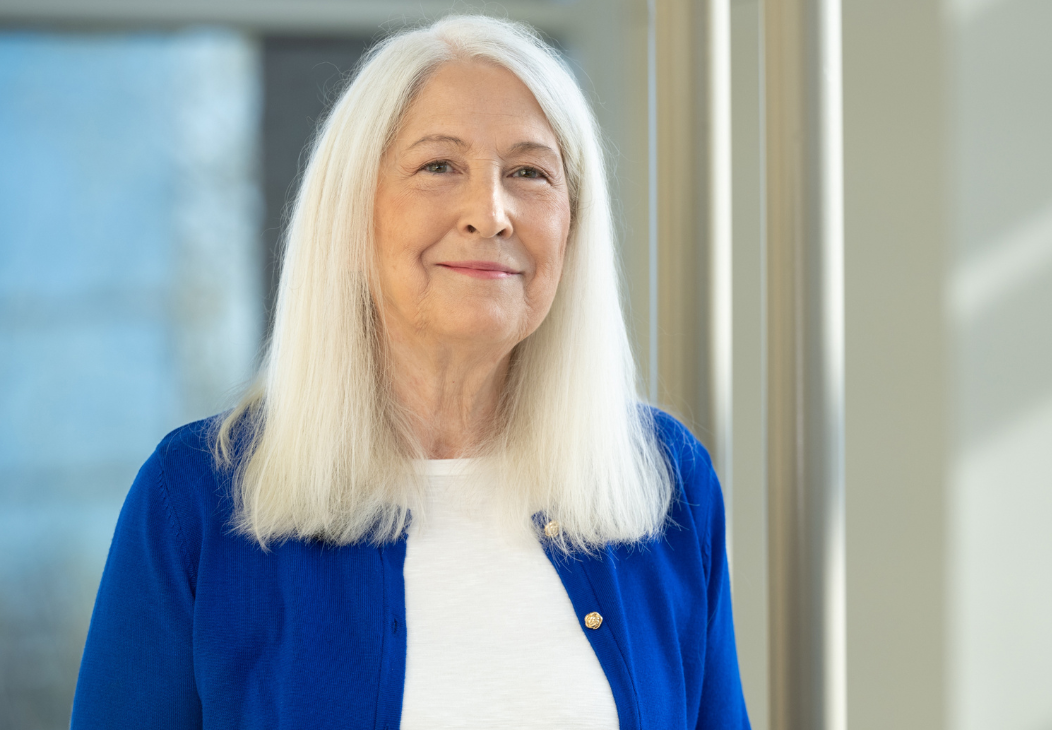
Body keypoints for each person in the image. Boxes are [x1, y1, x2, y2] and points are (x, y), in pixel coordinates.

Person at [72, 15, 750, 730]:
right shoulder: (197, 500)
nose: (490, 214)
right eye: (439, 166)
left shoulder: (662, 484)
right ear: (354, 212)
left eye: (529, 172)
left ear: (573, 225)